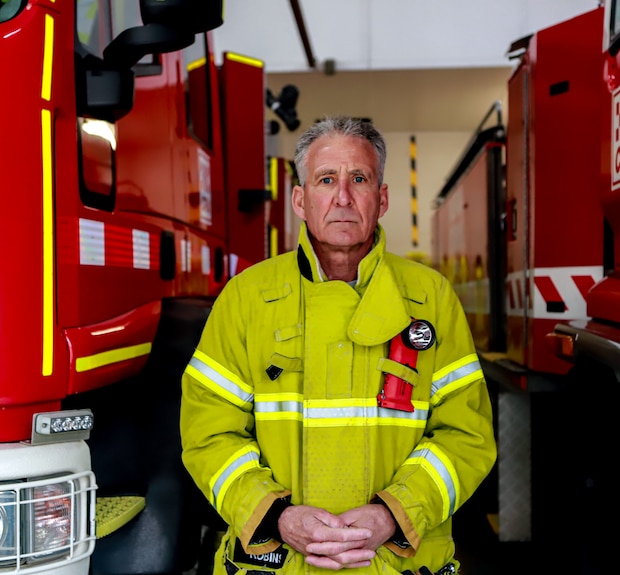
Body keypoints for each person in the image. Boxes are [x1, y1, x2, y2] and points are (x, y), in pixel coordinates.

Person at [180, 116, 496, 574]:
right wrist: (276, 517)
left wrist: (394, 514)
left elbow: (466, 435)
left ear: (382, 198)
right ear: (300, 199)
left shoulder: (431, 298)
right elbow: (208, 435)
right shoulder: (246, 297)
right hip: (279, 562)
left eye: (359, 179)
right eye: (326, 179)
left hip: (396, 563)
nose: (343, 197)